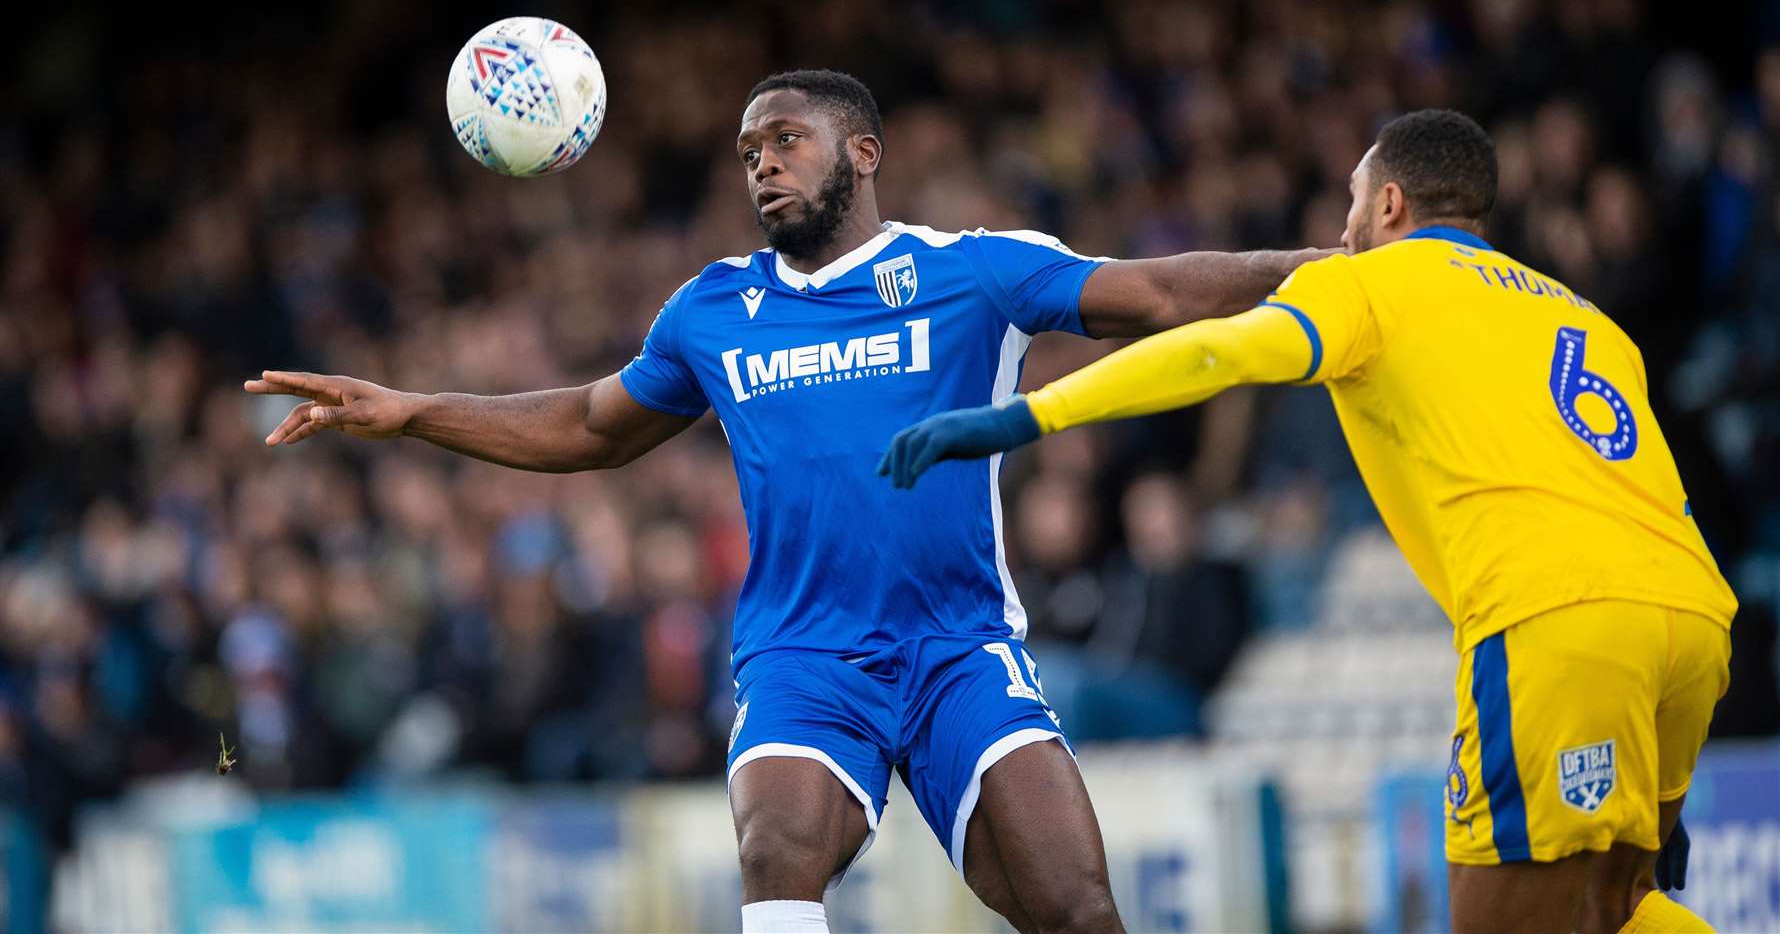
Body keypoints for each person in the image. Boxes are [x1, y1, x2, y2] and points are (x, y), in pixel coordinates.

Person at [246, 70, 1320, 934]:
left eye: (785, 141)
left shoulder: (974, 274)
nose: (761, 164)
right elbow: (587, 426)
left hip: (959, 648)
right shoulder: (713, 309)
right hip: (804, 655)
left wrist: (1345, 268)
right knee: (775, 854)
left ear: (863, 152)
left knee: (1074, 907)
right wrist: (413, 409)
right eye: (748, 153)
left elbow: (1163, 292)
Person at [881, 109, 1738, 934]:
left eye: (1353, 200)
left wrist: (1032, 415)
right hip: (1688, 623)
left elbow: (1217, 350)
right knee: (1617, 913)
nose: (1345, 222)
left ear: (1391, 205)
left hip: (1558, 624)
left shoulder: (1367, 280)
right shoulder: (1580, 311)